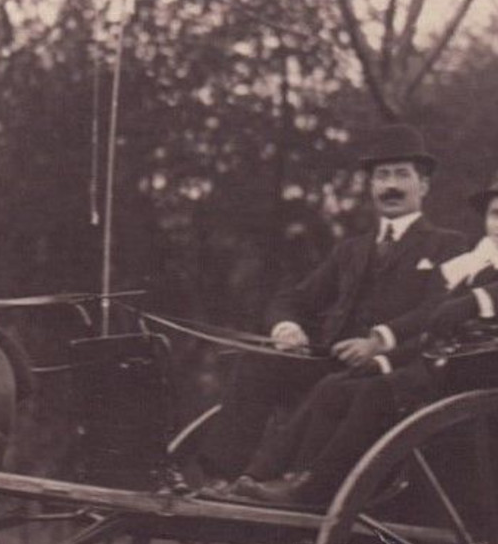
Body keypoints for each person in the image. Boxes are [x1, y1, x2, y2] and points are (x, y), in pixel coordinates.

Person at [221, 164, 498, 507]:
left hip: (470, 379)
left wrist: (467, 304)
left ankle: (315, 490)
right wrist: (384, 360)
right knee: (334, 387)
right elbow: (431, 332)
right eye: (496, 214)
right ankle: (272, 476)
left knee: (375, 394)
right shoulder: (479, 265)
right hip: (434, 368)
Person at [198, 124, 469, 488]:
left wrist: (379, 340)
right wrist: (288, 327)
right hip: (330, 364)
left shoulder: (447, 246)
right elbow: (292, 299)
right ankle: (222, 481)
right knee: (257, 364)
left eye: (402, 175)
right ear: (371, 187)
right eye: (381, 176)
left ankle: (283, 480)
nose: (391, 185)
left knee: (331, 386)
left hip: (389, 368)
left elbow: (438, 310)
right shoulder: (351, 250)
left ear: (423, 186)